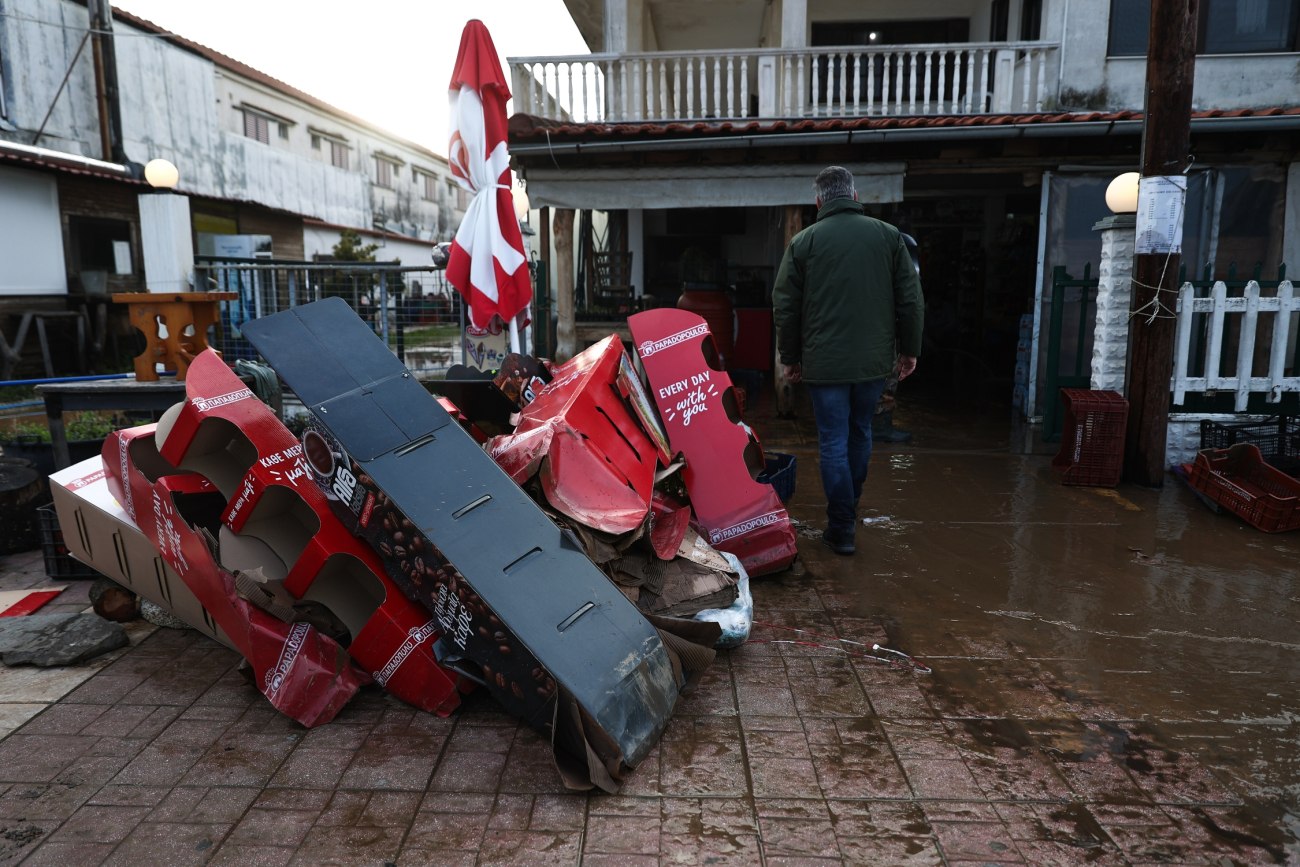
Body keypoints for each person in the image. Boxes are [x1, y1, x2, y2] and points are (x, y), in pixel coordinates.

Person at [773, 166, 924, 556]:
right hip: (873, 364)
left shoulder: (803, 242)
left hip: (824, 365)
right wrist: (909, 349)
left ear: (819, 201)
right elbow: (910, 299)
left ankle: (841, 527)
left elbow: (785, 306)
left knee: (834, 442)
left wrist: (789, 358)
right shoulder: (888, 237)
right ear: (854, 196)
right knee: (861, 433)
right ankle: (848, 511)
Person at [871, 231, 923, 444]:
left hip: (867, 330)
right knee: (887, 379)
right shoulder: (896, 258)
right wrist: (911, 349)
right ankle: (880, 427)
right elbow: (911, 303)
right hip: (884, 332)